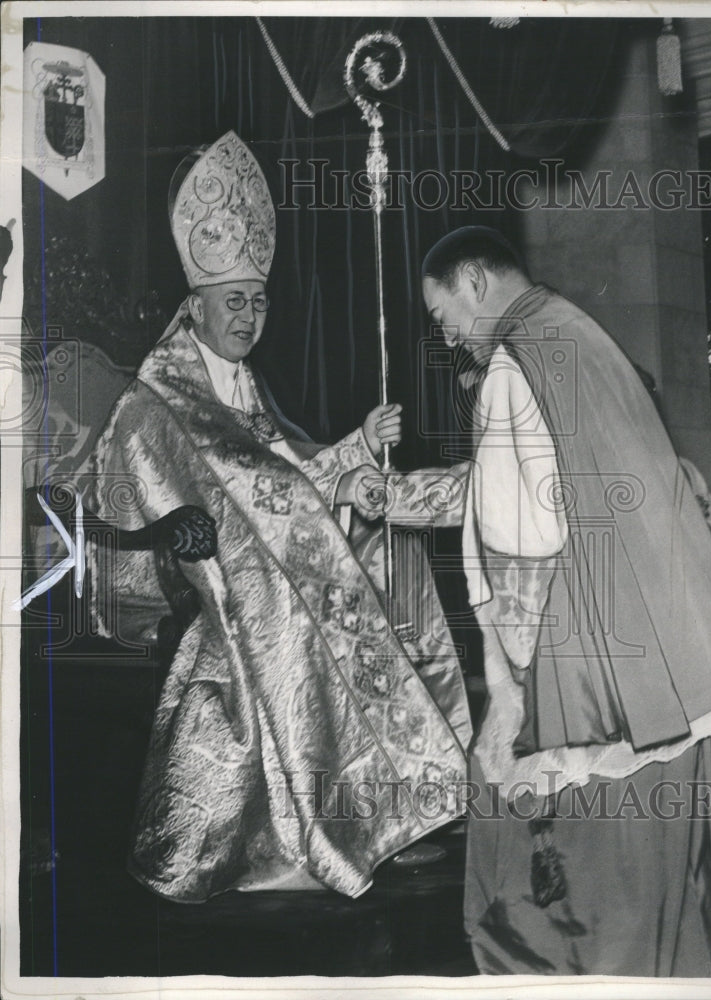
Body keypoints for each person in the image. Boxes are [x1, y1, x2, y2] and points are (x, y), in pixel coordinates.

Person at [89, 132, 471, 902]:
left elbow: (281, 476)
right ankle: (348, 820)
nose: (251, 315)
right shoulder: (153, 402)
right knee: (296, 603)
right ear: (195, 304)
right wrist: (310, 491)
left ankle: (419, 787)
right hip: (195, 577)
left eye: (259, 300)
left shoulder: (243, 380)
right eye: (236, 301)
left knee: (387, 545)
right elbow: (160, 516)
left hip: (268, 552)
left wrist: (359, 447)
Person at [387, 226, 711, 976]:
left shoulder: (510, 365)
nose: (446, 334)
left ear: (477, 285)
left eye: (441, 313)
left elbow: (516, 535)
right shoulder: (579, 333)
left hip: (594, 661)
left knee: (554, 882)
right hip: (682, 664)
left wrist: (514, 687)